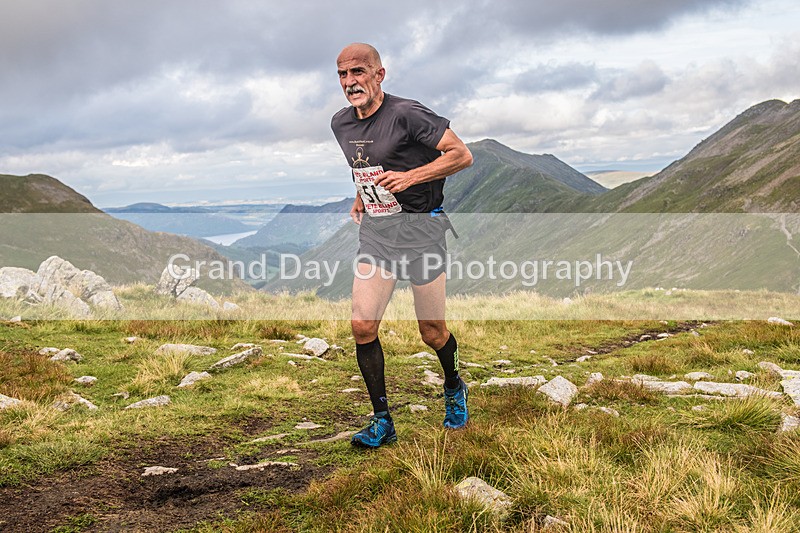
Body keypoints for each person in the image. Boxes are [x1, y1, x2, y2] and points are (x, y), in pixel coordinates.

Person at [330, 43, 474, 448]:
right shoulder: (340, 123)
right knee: (362, 325)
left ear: (380, 74)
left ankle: (453, 386)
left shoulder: (407, 114)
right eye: (342, 74)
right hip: (378, 234)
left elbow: (461, 155)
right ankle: (383, 422)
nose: (350, 82)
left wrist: (411, 178)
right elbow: (363, 165)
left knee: (431, 331)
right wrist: (362, 193)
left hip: (422, 233)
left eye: (358, 72)